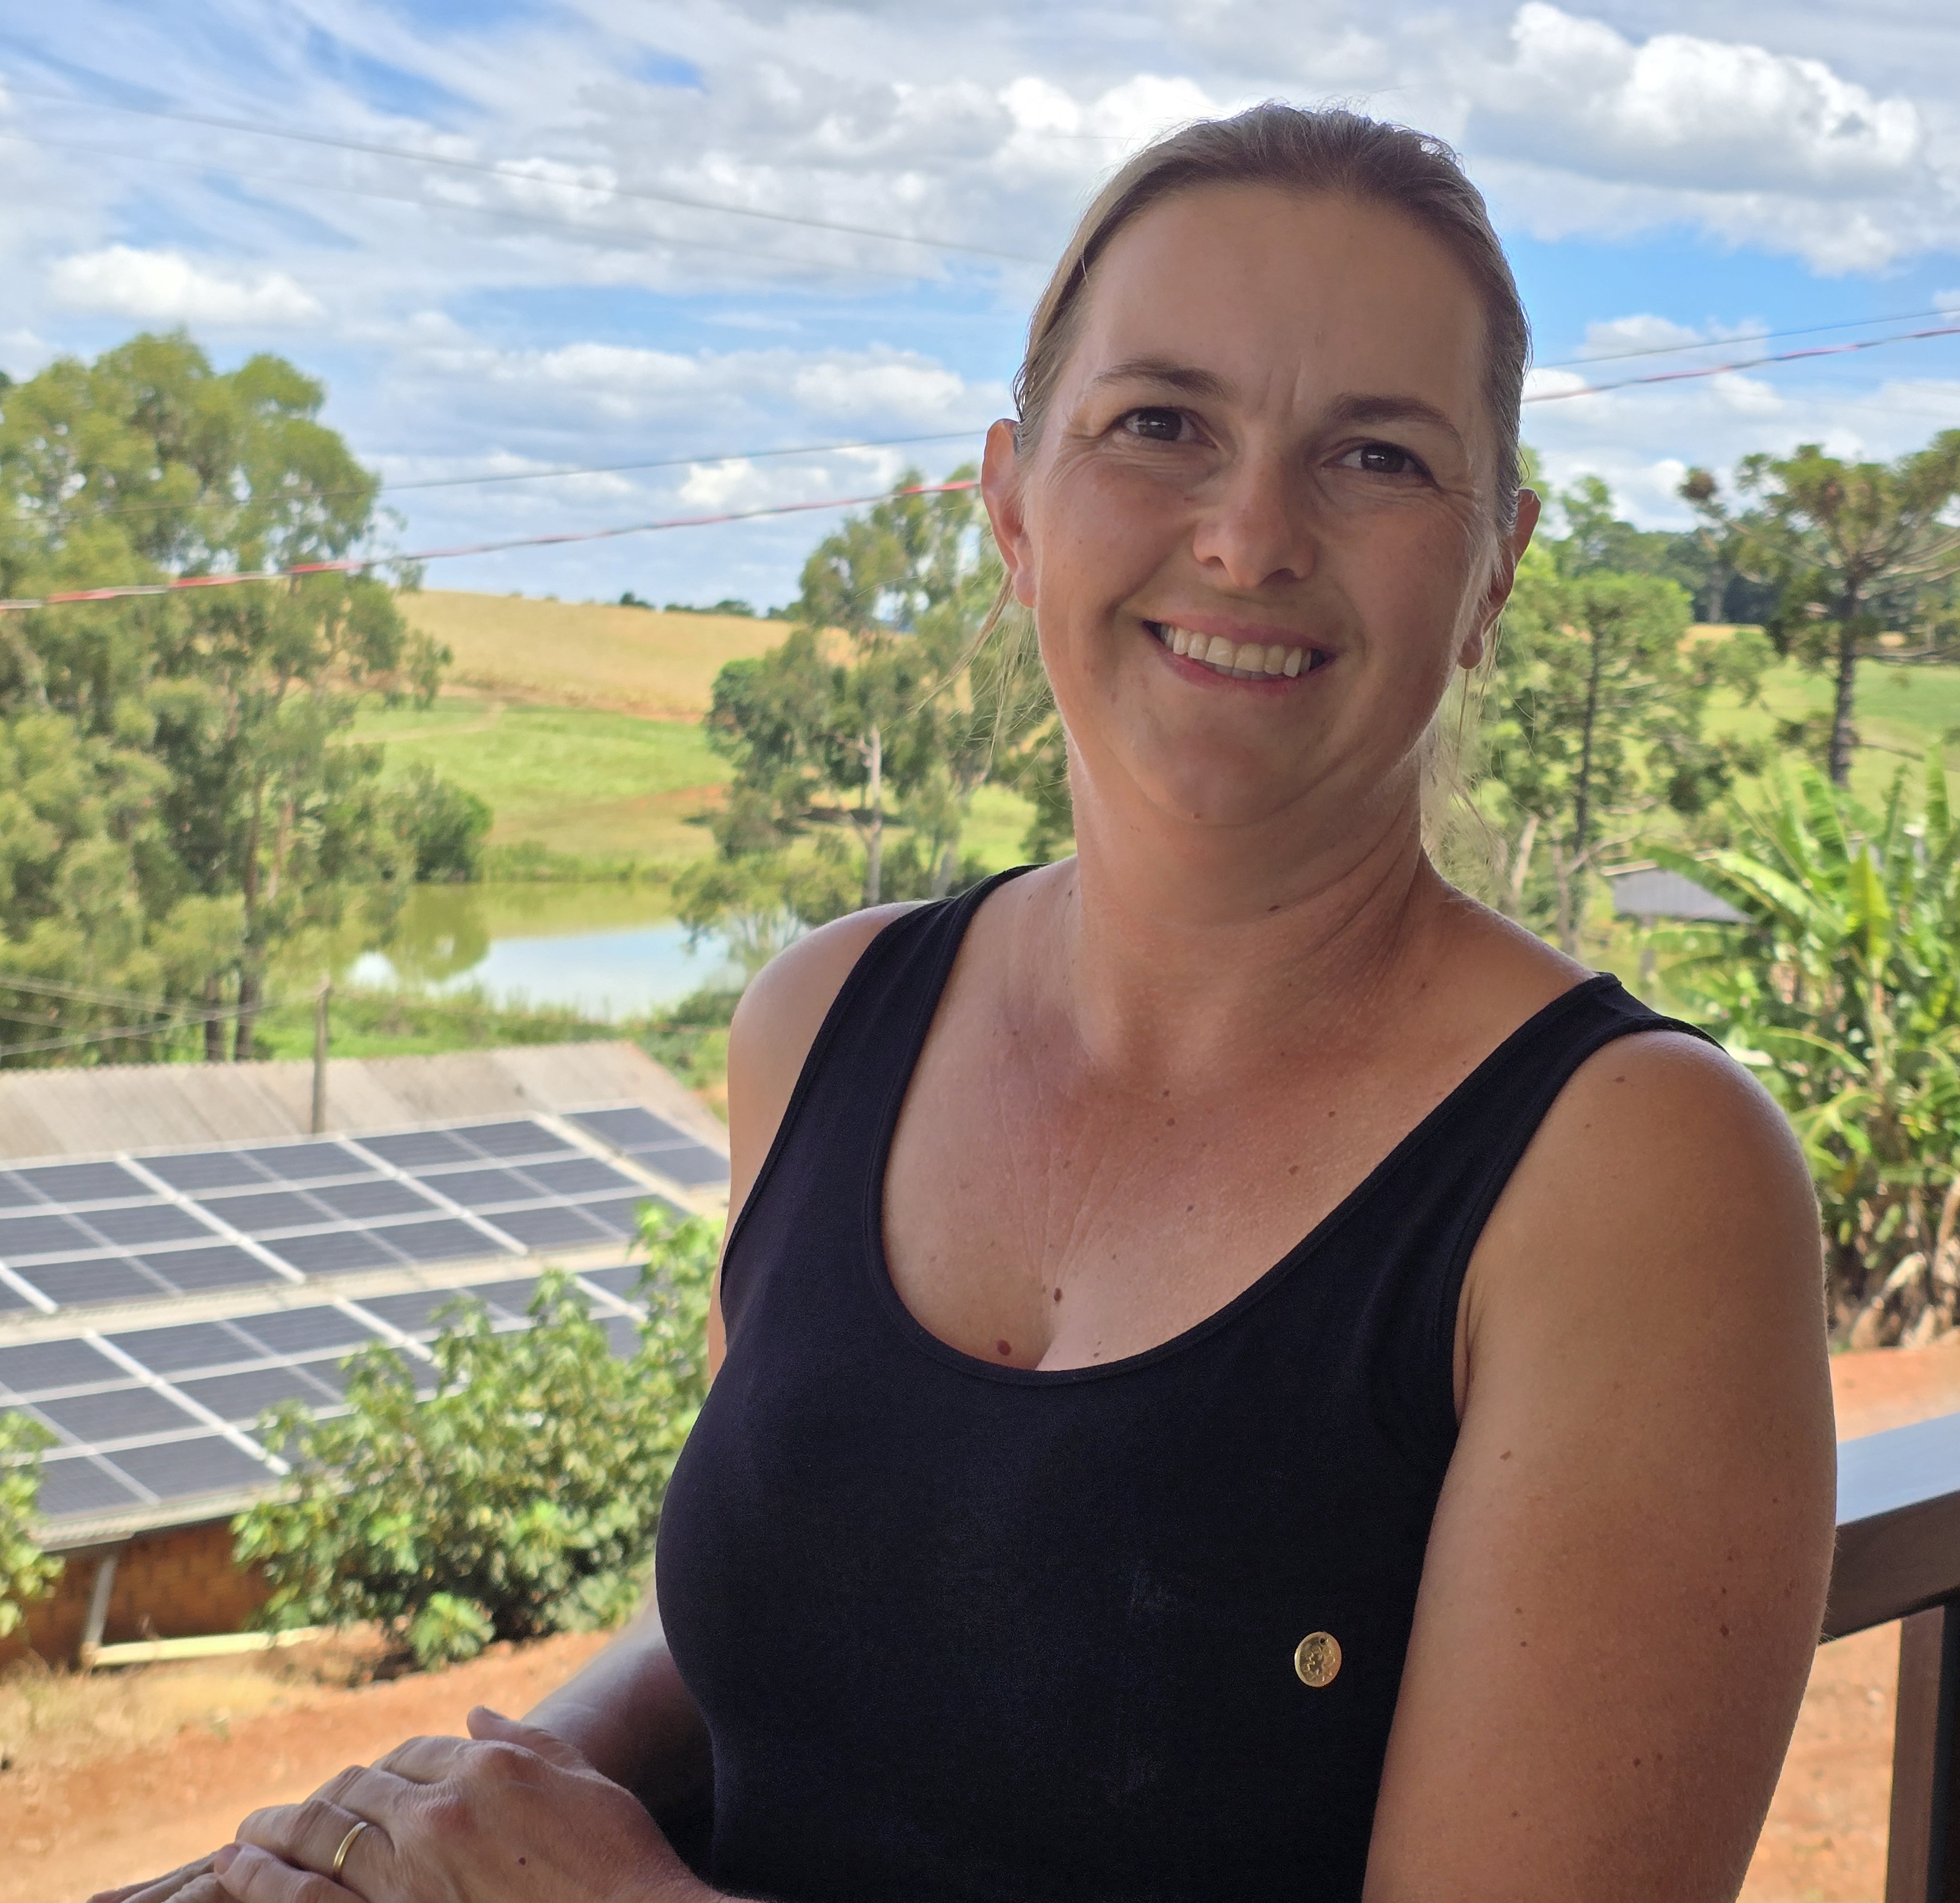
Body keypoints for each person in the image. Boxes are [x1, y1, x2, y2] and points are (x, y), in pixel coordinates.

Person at [107, 103, 1834, 1903]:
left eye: (1378, 457)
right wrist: (467, 1809)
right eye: (1160, 424)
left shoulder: (1634, 1178)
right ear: (1012, 505)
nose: (1251, 535)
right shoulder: (828, 1018)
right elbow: (806, 1587)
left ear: (1495, 568)